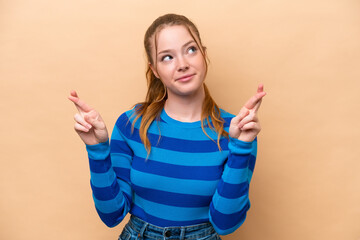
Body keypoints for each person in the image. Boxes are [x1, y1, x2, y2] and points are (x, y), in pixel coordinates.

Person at [69, 13, 266, 240]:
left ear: (204, 54)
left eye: (191, 50)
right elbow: (111, 215)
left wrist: (241, 148)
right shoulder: (131, 125)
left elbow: (225, 223)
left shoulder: (238, 130)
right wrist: (97, 150)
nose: (182, 64)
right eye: (167, 57)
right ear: (155, 71)